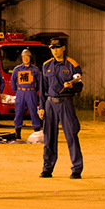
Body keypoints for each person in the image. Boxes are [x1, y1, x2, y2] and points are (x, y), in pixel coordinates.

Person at [37, 38, 83, 179]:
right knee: (49, 138)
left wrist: (72, 86)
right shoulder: (46, 66)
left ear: (63, 48)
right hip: (50, 104)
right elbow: (43, 88)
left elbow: (80, 86)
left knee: (71, 136)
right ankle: (47, 168)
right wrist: (41, 107)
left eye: (57, 47)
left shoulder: (72, 65)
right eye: (52, 48)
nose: (55, 50)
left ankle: (76, 169)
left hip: (65, 103)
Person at [11, 48, 41, 139]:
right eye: (24, 57)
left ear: (30, 58)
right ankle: (18, 132)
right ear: (22, 58)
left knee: (33, 111)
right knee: (19, 112)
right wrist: (18, 91)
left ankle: (37, 131)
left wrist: (33, 90)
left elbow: (39, 82)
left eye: (27, 57)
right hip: (20, 92)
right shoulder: (17, 69)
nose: (25, 59)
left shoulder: (35, 69)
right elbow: (13, 82)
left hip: (31, 92)